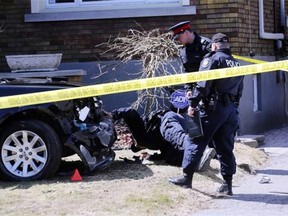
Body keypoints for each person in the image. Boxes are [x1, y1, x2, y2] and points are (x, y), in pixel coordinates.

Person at [168, 33, 244, 196]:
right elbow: (239, 91)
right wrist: (233, 108)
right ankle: (227, 184)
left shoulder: (212, 60)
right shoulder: (237, 63)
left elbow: (203, 85)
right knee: (225, 147)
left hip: (212, 108)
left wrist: (193, 104)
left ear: (215, 46)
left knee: (195, 139)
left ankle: (186, 178)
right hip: (230, 110)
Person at [111, 107, 215, 172]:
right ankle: (198, 160)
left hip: (165, 118)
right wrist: (149, 157)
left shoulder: (140, 135)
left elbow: (131, 113)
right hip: (177, 125)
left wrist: (113, 115)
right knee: (171, 157)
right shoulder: (155, 144)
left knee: (175, 135)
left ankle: (202, 149)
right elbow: (164, 155)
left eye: (136, 145)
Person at [168, 20, 211, 92]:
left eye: (178, 37)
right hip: (196, 92)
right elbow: (188, 72)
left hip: (211, 91)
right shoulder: (183, 52)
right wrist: (189, 89)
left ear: (186, 32)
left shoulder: (206, 45)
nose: (178, 40)